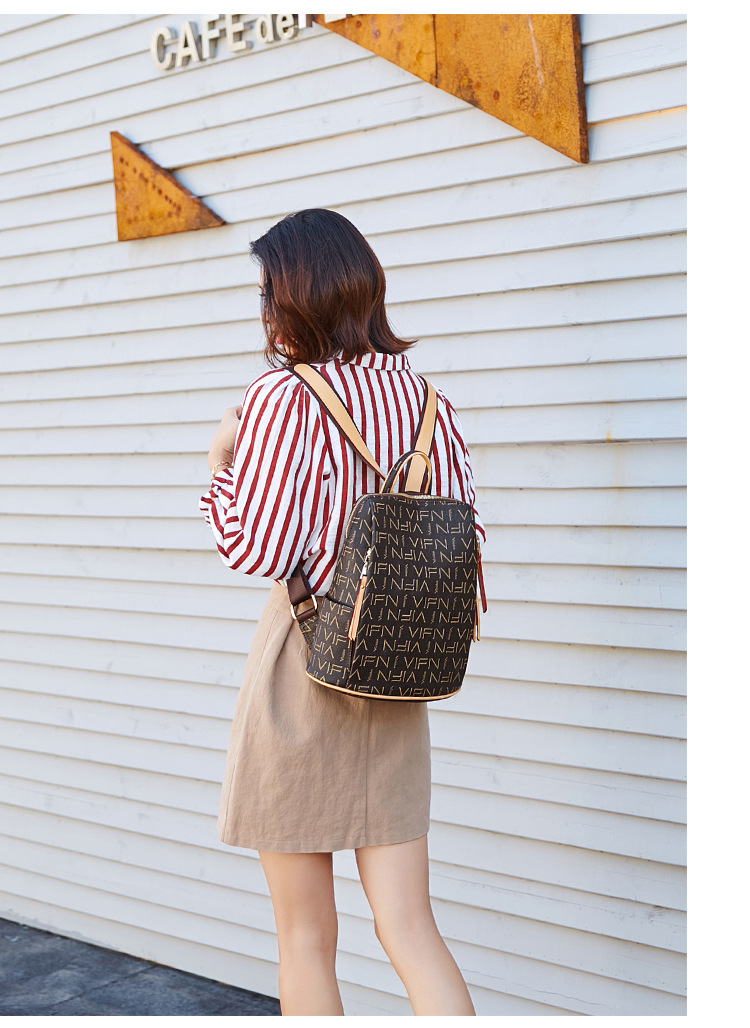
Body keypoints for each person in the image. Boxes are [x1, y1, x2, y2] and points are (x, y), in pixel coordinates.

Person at [200, 208, 484, 1016]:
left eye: (269, 290)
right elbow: (463, 537)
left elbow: (255, 548)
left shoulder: (282, 396)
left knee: (304, 935)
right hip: (394, 672)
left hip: (304, 664)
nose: (265, 308)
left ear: (295, 296)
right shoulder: (426, 400)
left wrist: (220, 465)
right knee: (410, 926)